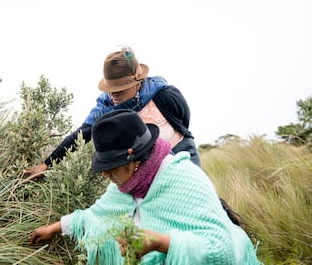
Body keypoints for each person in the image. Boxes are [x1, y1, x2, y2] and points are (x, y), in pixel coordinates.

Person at [29, 109, 260, 264]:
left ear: (136, 162)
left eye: (113, 166)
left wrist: (160, 242)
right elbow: (96, 214)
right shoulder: (126, 185)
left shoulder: (185, 178)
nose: (106, 174)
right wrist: (52, 228)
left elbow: (224, 251)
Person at [24, 46, 201, 179]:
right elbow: (80, 136)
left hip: (182, 153)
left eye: (120, 89)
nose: (113, 94)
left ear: (136, 82)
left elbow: (183, 119)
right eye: (110, 89)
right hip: (148, 169)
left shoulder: (164, 94)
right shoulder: (105, 107)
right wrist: (47, 164)